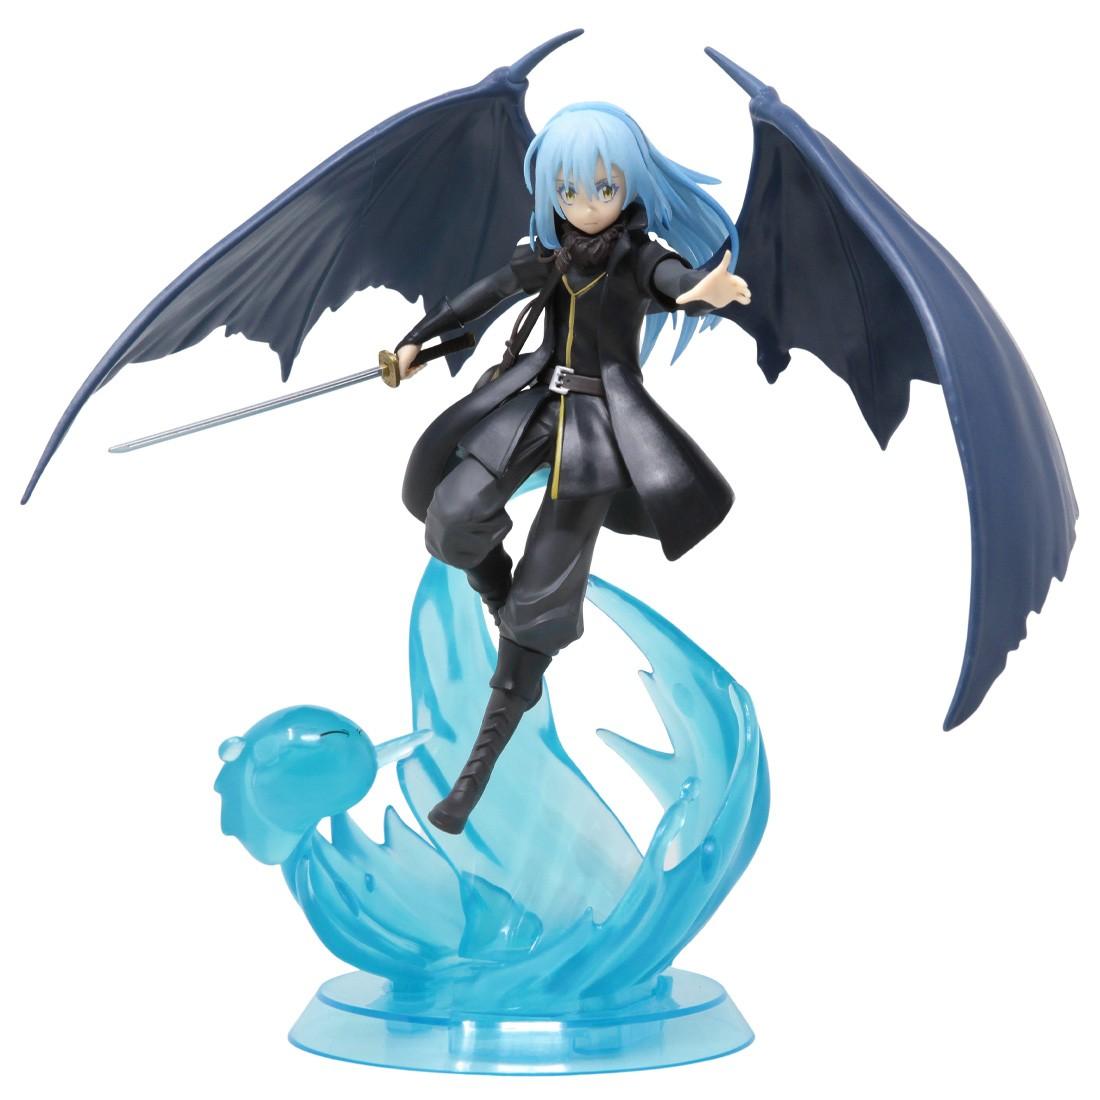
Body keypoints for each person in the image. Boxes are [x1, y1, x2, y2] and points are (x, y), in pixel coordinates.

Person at [392, 103, 750, 834]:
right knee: (451, 517)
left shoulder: (638, 257)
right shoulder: (549, 254)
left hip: (596, 429)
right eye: (570, 191)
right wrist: (416, 343)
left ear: (630, 186)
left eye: (604, 188)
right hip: (530, 404)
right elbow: (483, 299)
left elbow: (673, 278)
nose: (586, 205)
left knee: (542, 609)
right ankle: (499, 594)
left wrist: (699, 291)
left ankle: (471, 782)